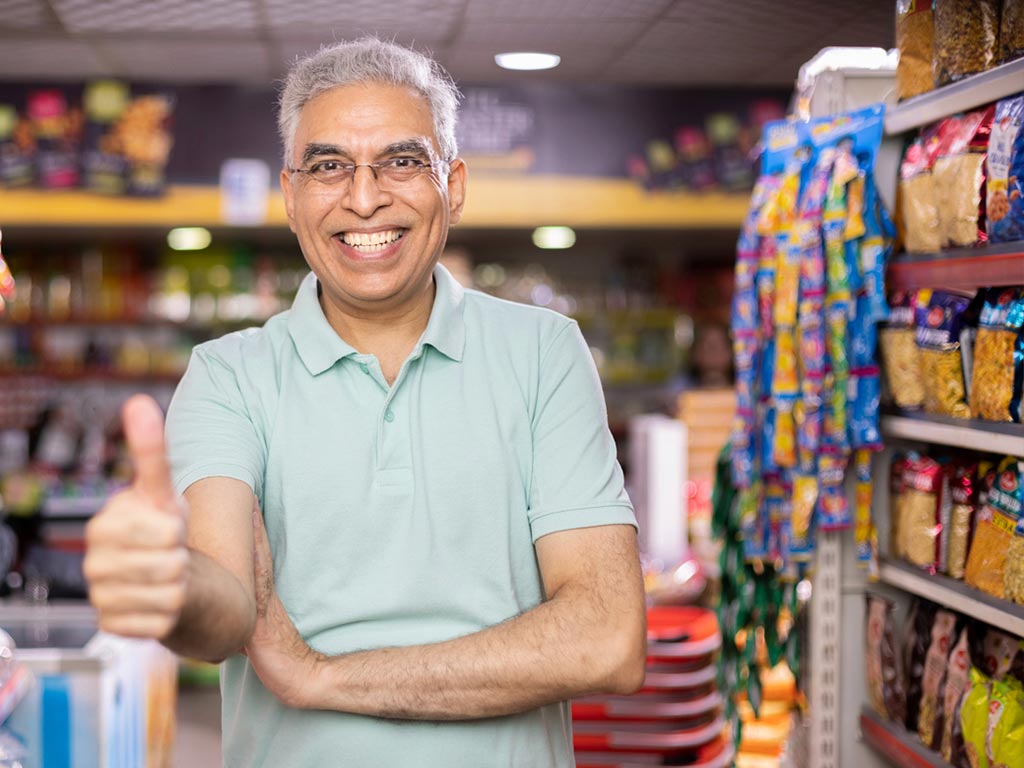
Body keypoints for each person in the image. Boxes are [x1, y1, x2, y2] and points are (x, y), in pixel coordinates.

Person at [83, 37, 646, 767]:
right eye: (328, 167)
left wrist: (320, 677)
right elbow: (224, 607)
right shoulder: (228, 375)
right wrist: (170, 583)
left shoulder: (545, 352)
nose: (364, 197)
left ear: (454, 186)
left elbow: (607, 640)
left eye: (402, 161)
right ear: (291, 197)